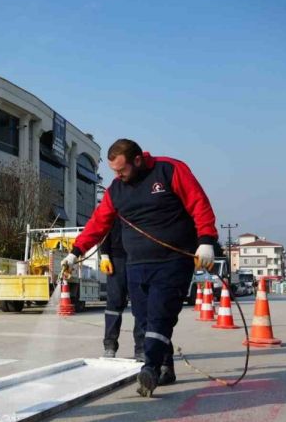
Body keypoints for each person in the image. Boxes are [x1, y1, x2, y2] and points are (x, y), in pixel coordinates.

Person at [62, 139, 217, 398]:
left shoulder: (169, 170)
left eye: (121, 170)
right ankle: (166, 366)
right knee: (145, 321)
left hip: (173, 261)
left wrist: (206, 241)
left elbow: (198, 203)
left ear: (137, 160)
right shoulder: (116, 190)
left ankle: (150, 369)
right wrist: (74, 252)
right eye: (114, 171)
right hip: (136, 264)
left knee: (159, 316)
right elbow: (98, 223)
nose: (118, 176)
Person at [99, 219, 144, 360]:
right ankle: (110, 346)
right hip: (116, 258)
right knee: (114, 303)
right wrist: (104, 254)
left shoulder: (141, 202)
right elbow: (103, 228)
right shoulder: (114, 201)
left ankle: (141, 348)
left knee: (140, 304)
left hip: (138, 257)